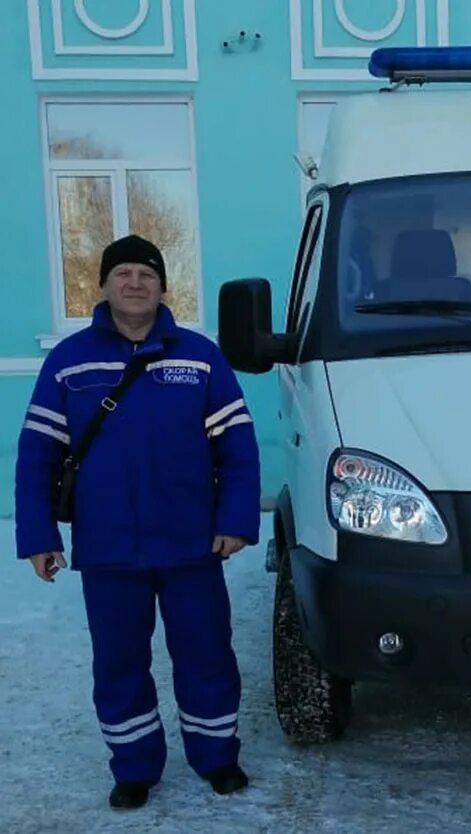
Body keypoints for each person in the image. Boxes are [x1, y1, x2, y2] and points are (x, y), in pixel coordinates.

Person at [14, 234, 261, 810]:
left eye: (146, 274)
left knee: (206, 653)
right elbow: (37, 455)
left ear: (163, 287)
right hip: (108, 550)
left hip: (192, 546)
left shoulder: (200, 357)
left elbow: (239, 448)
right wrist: (39, 535)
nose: (134, 283)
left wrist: (237, 520)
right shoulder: (68, 362)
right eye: (122, 273)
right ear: (102, 285)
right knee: (120, 661)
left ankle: (216, 757)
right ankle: (134, 767)